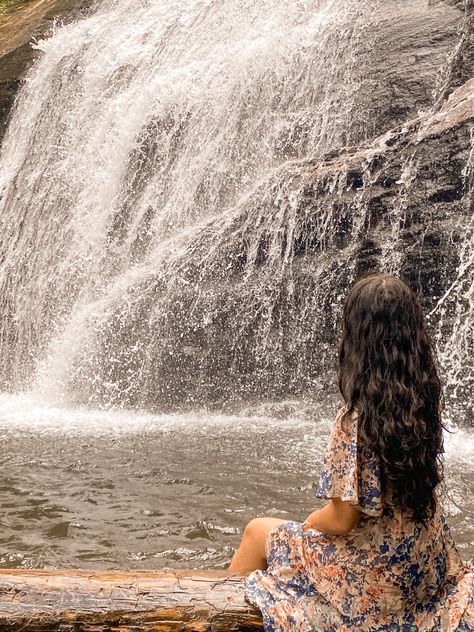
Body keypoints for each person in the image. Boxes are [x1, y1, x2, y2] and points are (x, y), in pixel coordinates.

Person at [229, 273, 474, 631]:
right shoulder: (423, 401)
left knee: (255, 531)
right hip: (421, 561)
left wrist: (314, 519)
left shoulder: (354, 420)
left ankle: (214, 616)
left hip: (375, 578)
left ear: (357, 339)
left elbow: (343, 520)